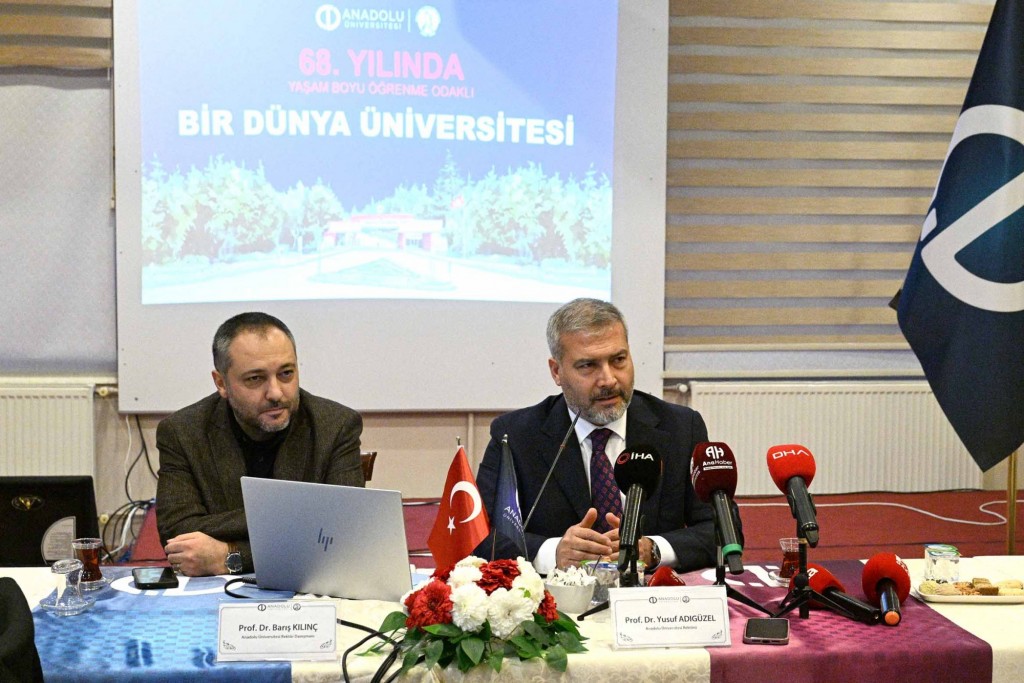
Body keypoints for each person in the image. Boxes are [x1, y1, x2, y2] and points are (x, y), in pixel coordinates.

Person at [475, 298, 731, 575]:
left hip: (649, 597)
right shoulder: (515, 436)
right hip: (557, 597)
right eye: (588, 365)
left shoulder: (680, 427)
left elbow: (724, 531)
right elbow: (480, 534)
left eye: (618, 360)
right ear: (557, 371)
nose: (608, 379)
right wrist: (553, 552)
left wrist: (653, 549)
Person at [156, 312, 364, 576]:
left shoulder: (335, 425)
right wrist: (302, 522)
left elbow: (344, 534)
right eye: (255, 378)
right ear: (221, 383)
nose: (276, 393)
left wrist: (231, 555)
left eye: (286, 373)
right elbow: (178, 534)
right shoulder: (182, 432)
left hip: (308, 585)